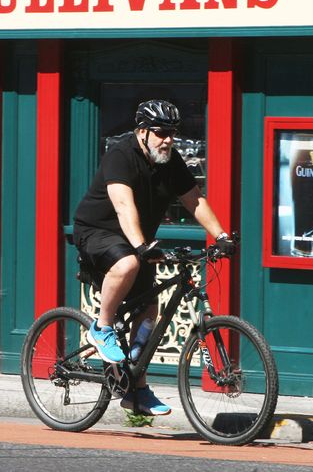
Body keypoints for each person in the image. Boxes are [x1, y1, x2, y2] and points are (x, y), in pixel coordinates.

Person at [72, 100, 237, 416]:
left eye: (172, 133)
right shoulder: (120, 156)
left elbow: (194, 200)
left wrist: (221, 236)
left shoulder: (170, 160)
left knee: (149, 310)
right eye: (161, 133)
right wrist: (141, 246)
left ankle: (137, 389)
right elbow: (123, 206)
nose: (168, 140)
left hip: (137, 238)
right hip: (96, 231)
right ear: (143, 131)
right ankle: (101, 326)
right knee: (129, 263)